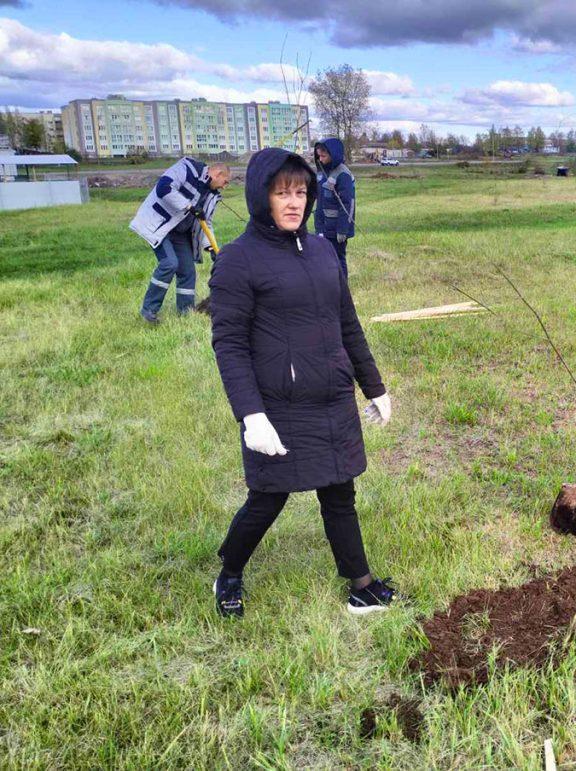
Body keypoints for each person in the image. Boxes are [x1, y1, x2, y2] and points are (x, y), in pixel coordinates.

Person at [208, 147, 395, 618]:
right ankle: (229, 572)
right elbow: (229, 345)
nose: (293, 202)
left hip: (331, 397)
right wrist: (251, 415)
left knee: (340, 491)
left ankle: (361, 585)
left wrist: (374, 386)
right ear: (260, 197)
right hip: (278, 406)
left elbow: (347, 323)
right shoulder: (237, 260)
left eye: (300, 191)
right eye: (280, 192)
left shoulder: (322, 251)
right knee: (269, 498)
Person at [130, 158, 230, 322]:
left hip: (181, 234)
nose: (225, 187)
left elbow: (206, 222)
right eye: (225, 182)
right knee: (169, 263)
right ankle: (148, 311)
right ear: (218, 173)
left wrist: (211, 247)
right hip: (160, 227)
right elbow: (164, 188)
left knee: (188, 271)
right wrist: (189, 206)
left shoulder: (213, 196)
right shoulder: (186, 168)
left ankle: (186, 313)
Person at [313, 138, 356, 277]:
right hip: (323, 227)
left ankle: (342, 287)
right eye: (318, 155)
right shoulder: (322, 173)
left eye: (323, 156)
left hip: (337, 229)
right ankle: (331, 285)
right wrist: (319, 228)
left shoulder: (343, 175)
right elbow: (319, 200)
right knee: (325, 260)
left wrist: (342, 230)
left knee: (338, 259)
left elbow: (347, 204)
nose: (320, 158)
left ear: (333, 154)